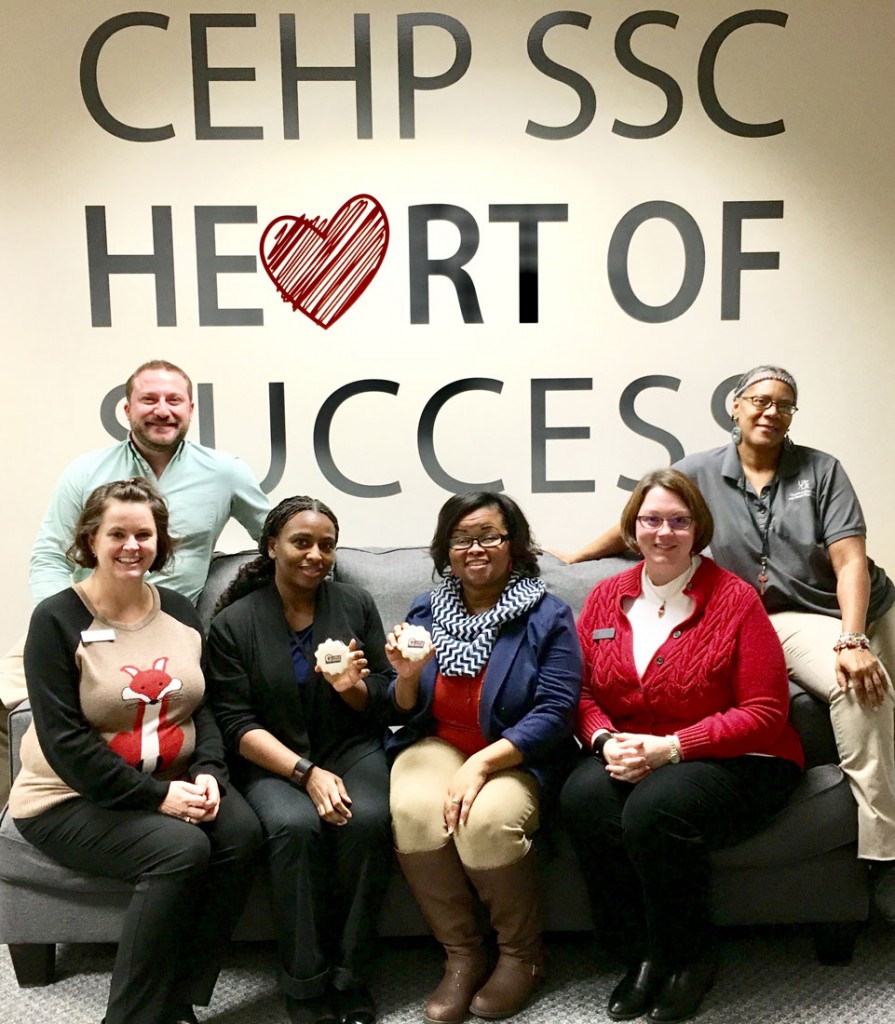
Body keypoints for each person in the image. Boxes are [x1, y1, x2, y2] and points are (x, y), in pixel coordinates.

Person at [554, 365, 895, 918]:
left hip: (835, 607)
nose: (770, 411)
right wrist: (577, 557)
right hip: (768, 613)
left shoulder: (822, 470)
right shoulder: (700, 470)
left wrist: (852, 638)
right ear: (734, 407)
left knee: (861, 685)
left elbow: (849, 559)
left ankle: (882, 856)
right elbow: (646, 514)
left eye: (784, 405)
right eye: (759, 400)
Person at [8, 478, 263, 1024]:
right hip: (67, 797)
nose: (131, 545)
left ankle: (175, 999)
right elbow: (65, 742)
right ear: (91, 540)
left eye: (143, 534)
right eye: (116, 533)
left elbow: (205, 706)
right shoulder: (57, 620)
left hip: (174, 776)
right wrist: (157, 798)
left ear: (160, 541)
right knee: (179, 850)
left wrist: (212, 771)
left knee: (242, 834)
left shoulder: (178, 609)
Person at [560, 468, 803, 1023]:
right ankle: (641, 953)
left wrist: (670, 748)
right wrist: (603, 740)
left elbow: (765, 714)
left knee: (655, 808)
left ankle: (690, 957)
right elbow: (580, 692)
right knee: (583, 799)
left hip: (743, 757)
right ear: (632, 529)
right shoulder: (604, 597)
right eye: (651, 520)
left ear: (698, 528)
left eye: (678, 520)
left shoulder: (735, 599)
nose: (663, 533)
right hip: (635, 750)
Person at [0, 358, 270, 804]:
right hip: (86, 624)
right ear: (126, 409)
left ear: (190, 408)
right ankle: (29, 814)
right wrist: (64, 625)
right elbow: (49, 555)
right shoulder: (85, 472)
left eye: (173, 400)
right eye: (149, 399)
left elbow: (276, 541)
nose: (162, 410)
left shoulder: (226, 472)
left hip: (165, 634)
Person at [386, 492, 582, 1023]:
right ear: (446, 549)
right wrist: (404, 678)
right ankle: (463, 955)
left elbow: (558, 708)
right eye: (461, 539)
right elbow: (403, 707)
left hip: (516, 751)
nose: (475, 548)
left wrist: (483, 763)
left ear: (513, 546)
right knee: (414, 811)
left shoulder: (547, 614)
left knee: (487, 821)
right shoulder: (426, 611)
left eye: (489, 536)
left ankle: (523, 956)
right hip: (437, 742)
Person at [206, 496, 393, 1024]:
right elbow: (235, 725)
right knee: (293, 827)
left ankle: (351, 976)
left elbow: (382, 693)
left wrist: (351, 688)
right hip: (272, 758)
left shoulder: (354, 604)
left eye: (326, 545)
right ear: (272, 547)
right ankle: (306, 985)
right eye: (301, 542)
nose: (316, 554)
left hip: (350, 747)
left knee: (370, 819)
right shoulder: (234, 625)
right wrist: (305, 774)